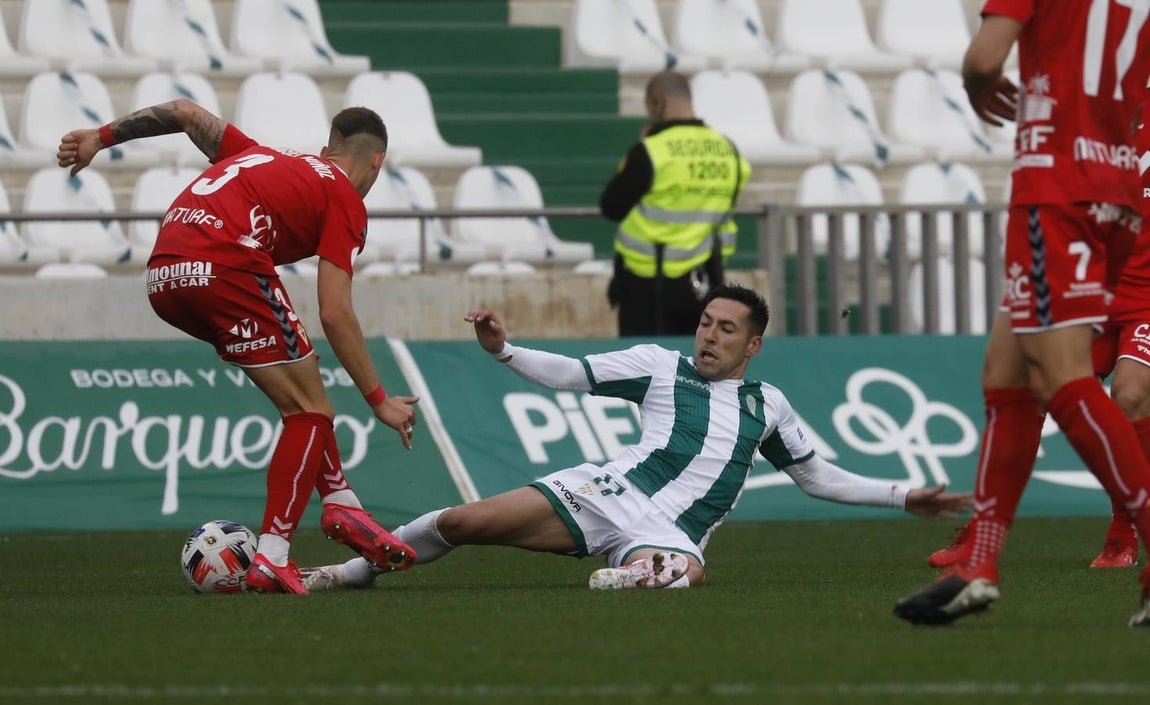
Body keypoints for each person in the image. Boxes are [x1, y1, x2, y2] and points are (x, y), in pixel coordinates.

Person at [298, 283, 972, 592]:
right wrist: (504, 350)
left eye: (726, 328)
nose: (709, 334)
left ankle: (645, 575)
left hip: (672, 531)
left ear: (754, 344)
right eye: (706, 321)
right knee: (462, 519)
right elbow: (572, 374)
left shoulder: (770, 405)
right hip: (604, 491)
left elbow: (817, 474)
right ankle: (354, 571)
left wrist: (899, 494)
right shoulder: (658, 365)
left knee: (685, 566)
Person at [56, 99, 420, 594]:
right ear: (378, 162)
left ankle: (343, 502)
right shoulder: (344, 197)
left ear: (323, 150)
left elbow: (185, 113)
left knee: (301, 376)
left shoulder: (263, 156)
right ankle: (273, 556)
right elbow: (335, 311)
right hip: (226, 262)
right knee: (311, 412)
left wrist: (101, 136)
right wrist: (379, 401)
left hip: (166, 275)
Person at [893, 1, 1150, 627]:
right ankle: (978, 563)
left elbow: (985, 58)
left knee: (1061, 379)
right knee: (1007, 374)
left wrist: (979, 87)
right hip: (1115, 184)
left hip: (1056, 185)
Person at [928, 100, 1150, 572]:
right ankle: (980, 535)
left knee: (1130, 395)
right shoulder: (1085, 113)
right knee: (1031, 395)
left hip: (1146, 297)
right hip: (1090, 286)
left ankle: (1122, 534)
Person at [599, 70, 752, 337]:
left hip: (645, 286)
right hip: (704, 283)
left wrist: (644, 143)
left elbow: (611, 206)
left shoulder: (651, 151)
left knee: (641, 371)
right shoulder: (729, 151)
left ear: (658, 103)